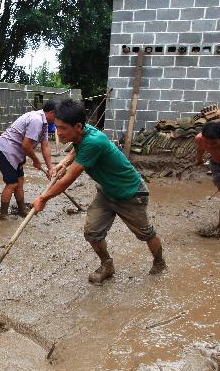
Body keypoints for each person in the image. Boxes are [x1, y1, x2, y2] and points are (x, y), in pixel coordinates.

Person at [31, 99, 167, 283]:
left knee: (145, 234)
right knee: (92, 232)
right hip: (106, 193)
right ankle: (107, 265)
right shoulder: (83, 134)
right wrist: (63, 163)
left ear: (78, 126)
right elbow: (76, 150)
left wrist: (43, 198)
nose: (58, 133)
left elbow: (67, 181)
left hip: (131, 194)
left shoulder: (94, 141)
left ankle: (159, 263)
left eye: (63, 128)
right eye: (57, 127)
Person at [0, 101, 55, 219]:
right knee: (12, 183)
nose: (59, 120)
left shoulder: (45, 123)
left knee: (20, 181)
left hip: (17, 152)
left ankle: (21, 210)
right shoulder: (36, 120)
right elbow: (26, 145)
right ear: (52, 113)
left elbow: (45, 146)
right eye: (58, 116)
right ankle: (3, 215)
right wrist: (36, 160)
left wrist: (50, 167)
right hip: (6, 150)